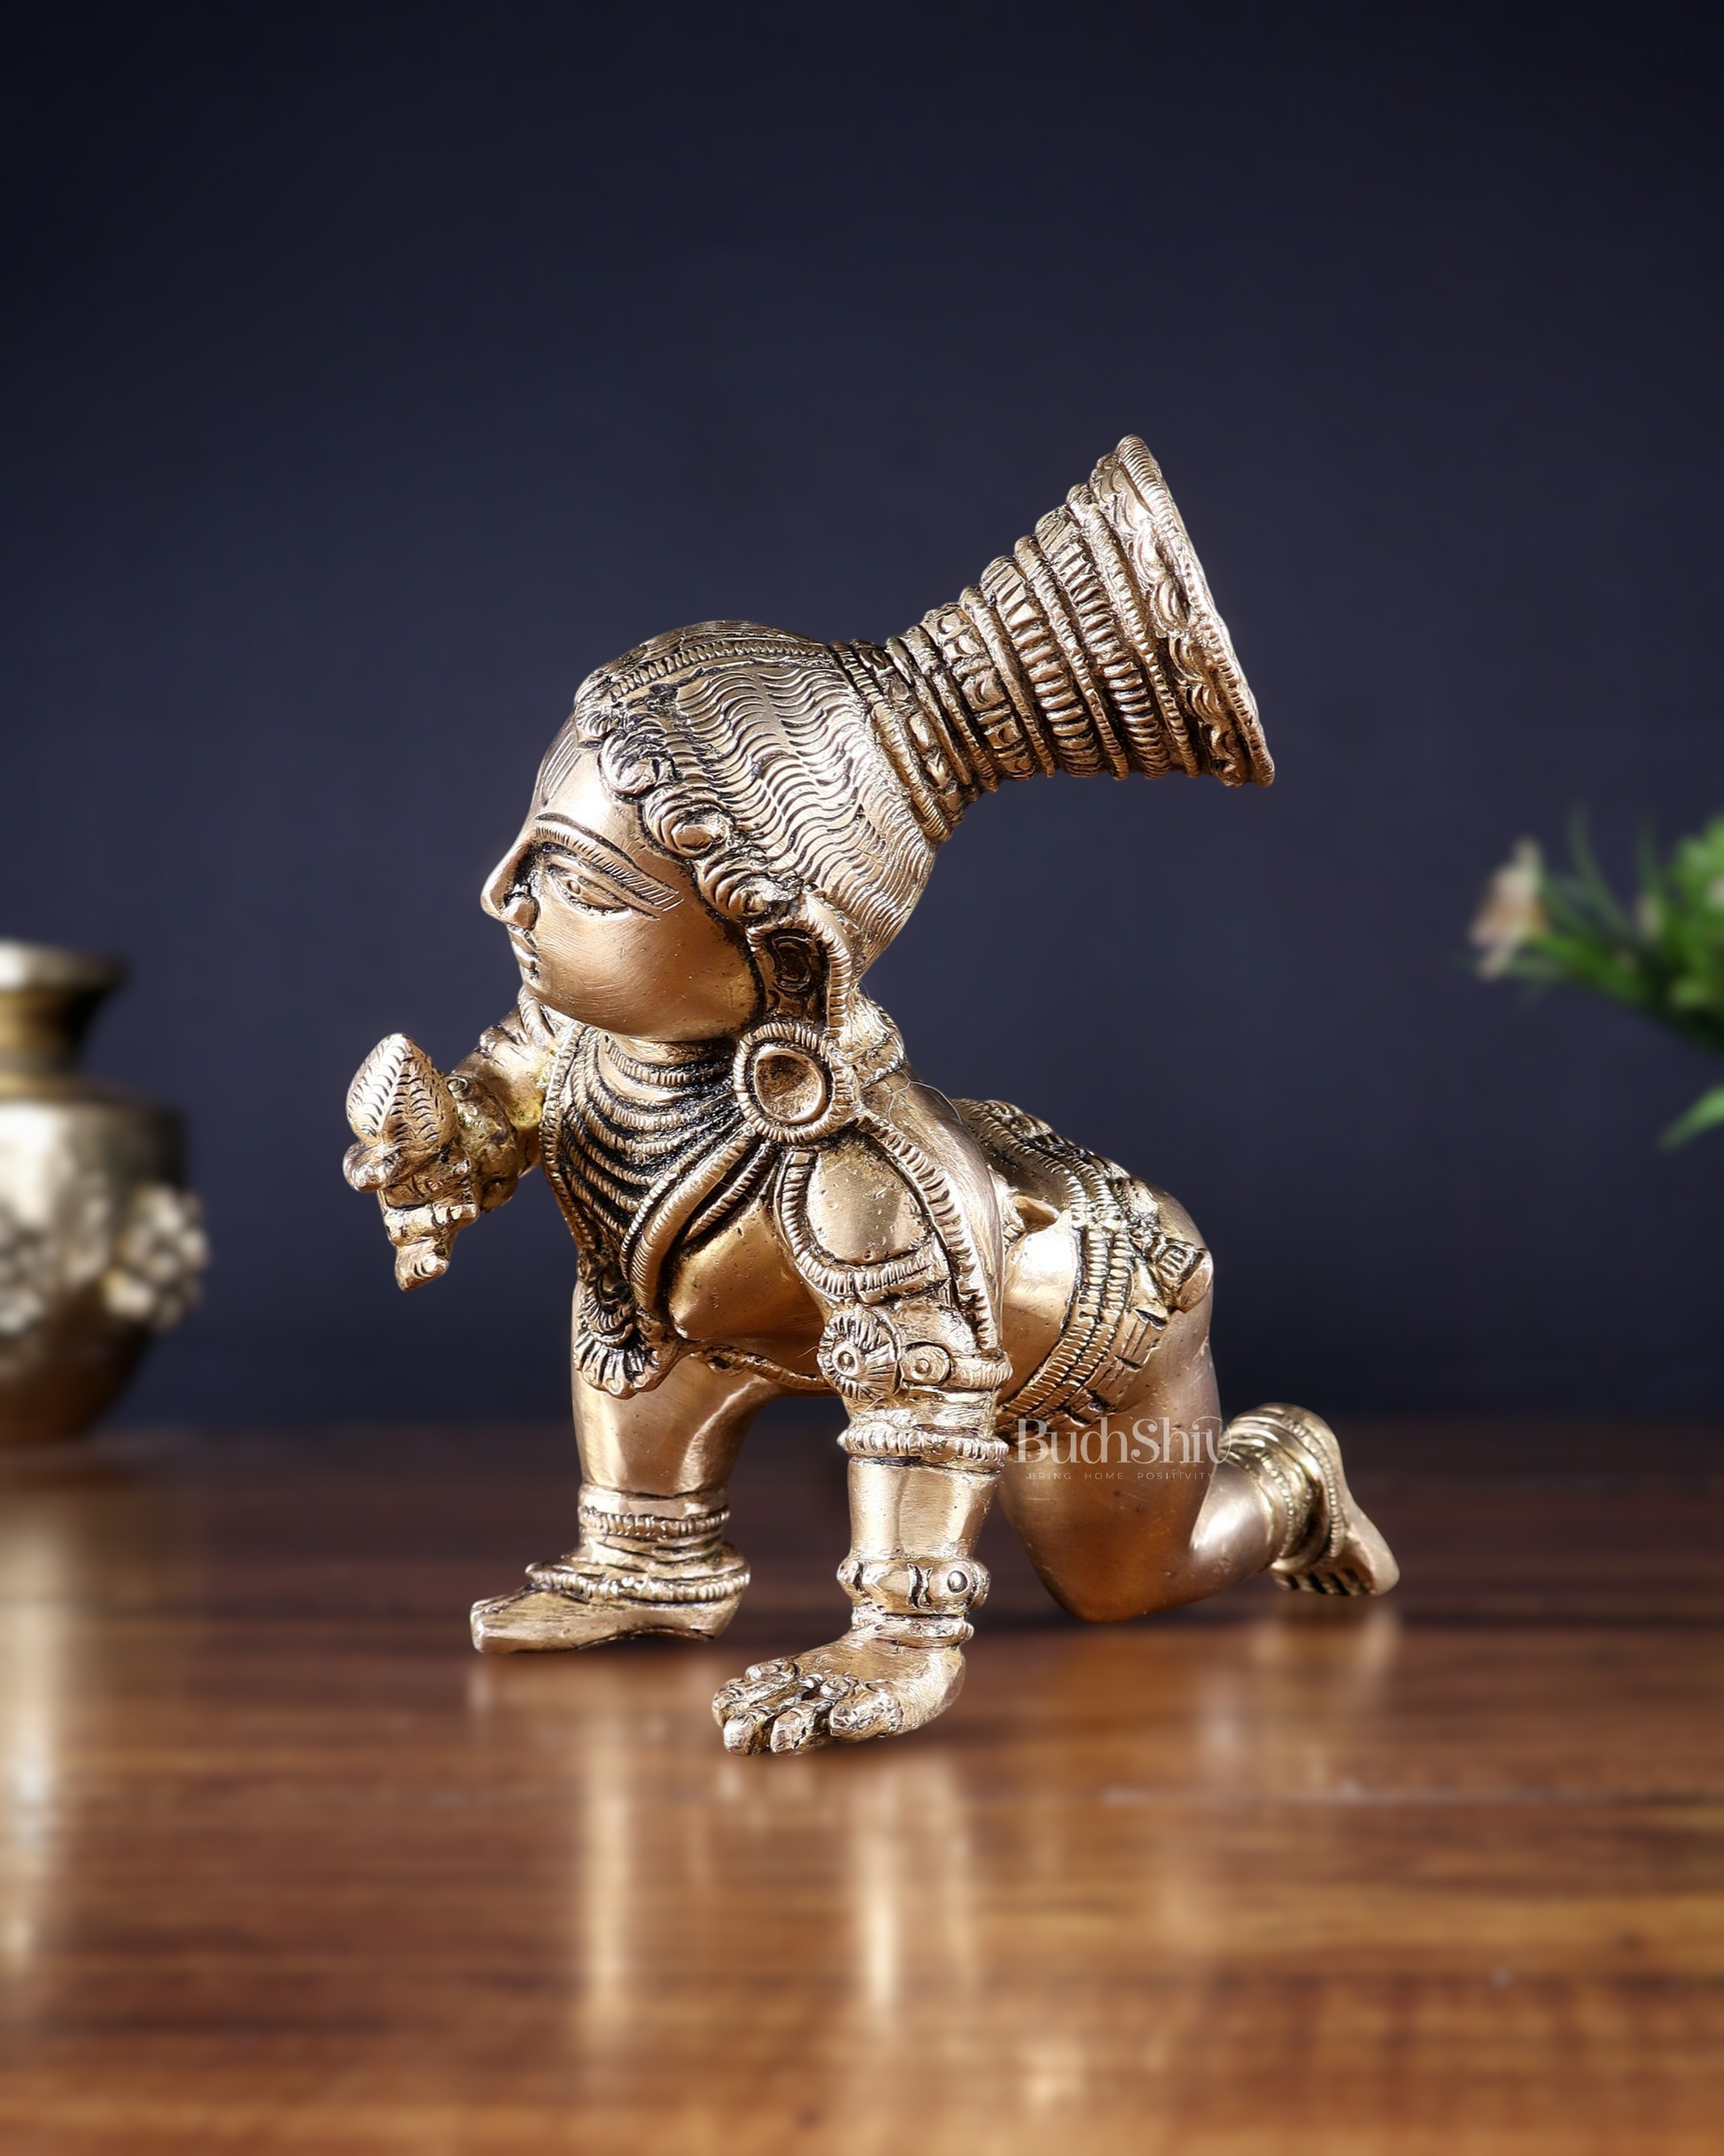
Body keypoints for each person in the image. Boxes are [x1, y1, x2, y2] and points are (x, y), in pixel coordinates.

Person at [343, 437, 1397, 1756]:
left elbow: (921, 1399)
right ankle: (648, 1556)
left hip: (1084, 1342)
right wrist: (449, 1141)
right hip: (731, 1319)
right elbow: (511, 1089)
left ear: (782, 958)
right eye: (528, 841)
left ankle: (1289, 1479)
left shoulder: (865, 1178)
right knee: (644, 1307)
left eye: (579, 880)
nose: (501, 892)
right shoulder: (586, 1033)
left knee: (1120, 1581)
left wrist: (898, 1640)